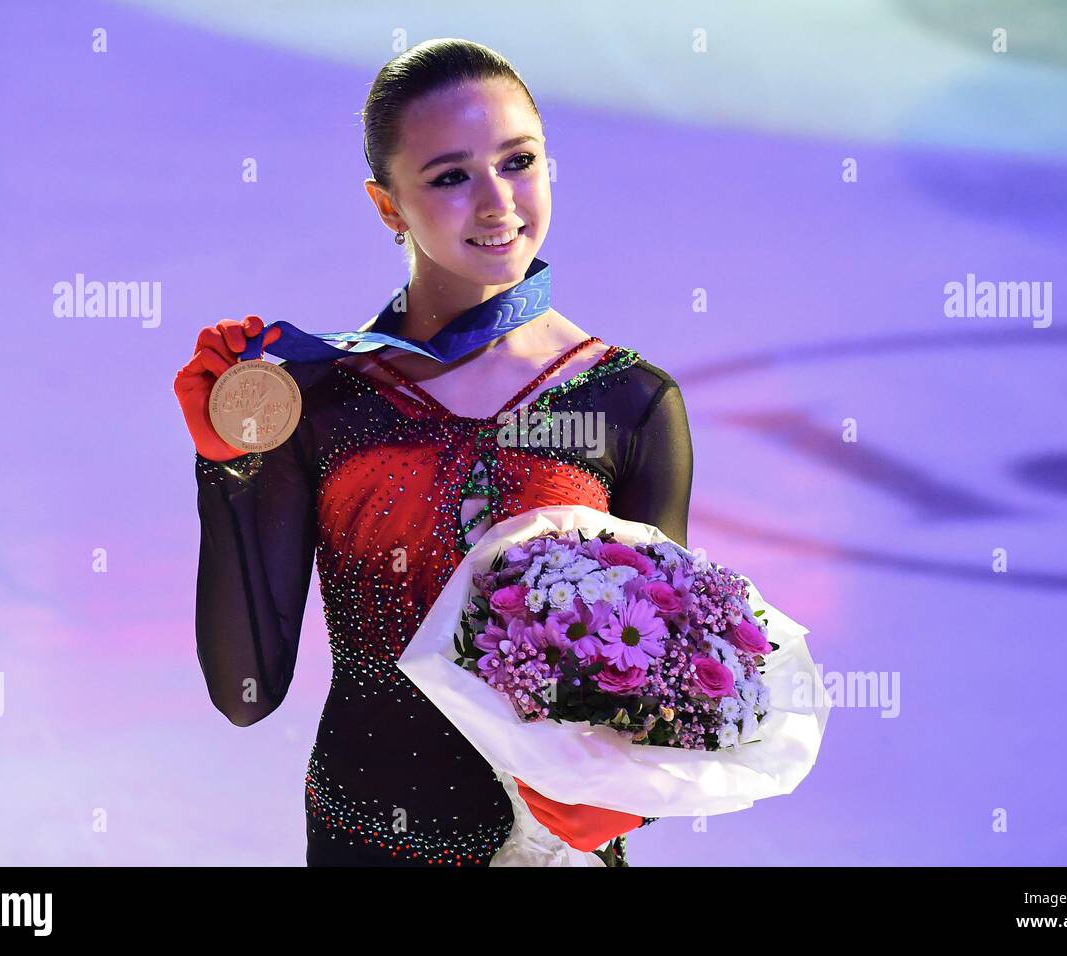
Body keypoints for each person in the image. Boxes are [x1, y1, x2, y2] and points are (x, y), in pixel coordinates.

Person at [173, 38, 693, 866]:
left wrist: (629, 808)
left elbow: (663, 679)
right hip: (365, 843)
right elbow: (246, 694)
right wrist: (229, 468)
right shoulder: (325, 399)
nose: (497, 203)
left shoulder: (630, 403)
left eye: (518, 161)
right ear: (388, 207)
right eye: (450, 176)